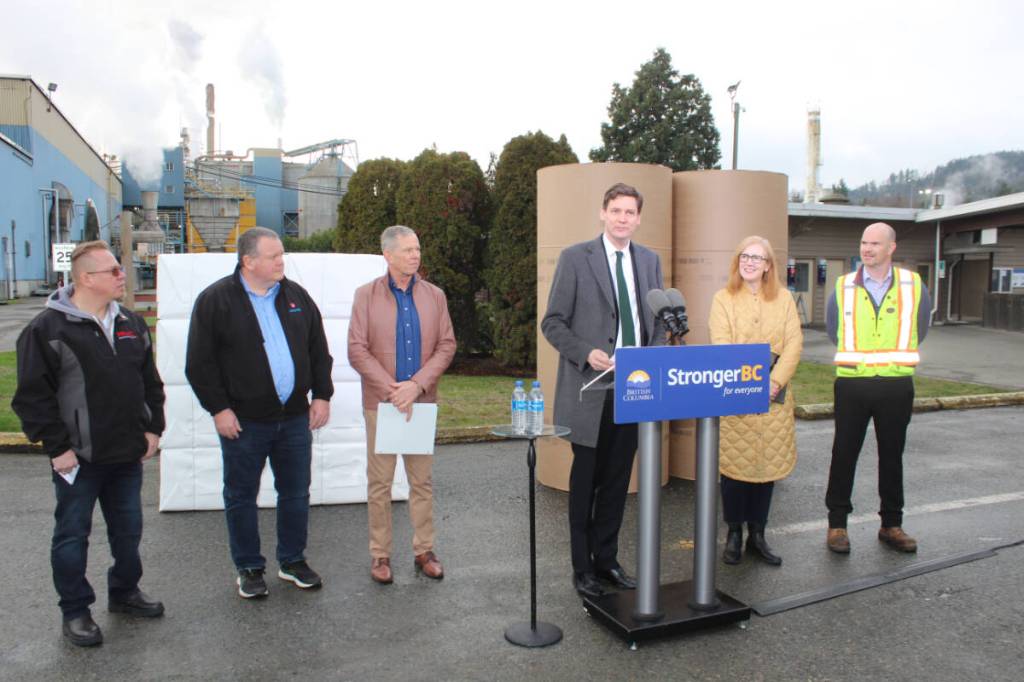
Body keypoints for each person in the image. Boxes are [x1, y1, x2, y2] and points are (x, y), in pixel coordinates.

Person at [13, 240, 165, 647]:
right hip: (78, 457)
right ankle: (75, 611)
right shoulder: (47, 329)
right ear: (85, 278)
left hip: (127, 453)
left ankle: (125, 592)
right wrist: (57, 448)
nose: (122, 276)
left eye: (120, 270)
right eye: (113, 271)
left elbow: (150, 384)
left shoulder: (131, 321)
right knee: (72, 535)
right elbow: (32, 396)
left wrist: (153, 430)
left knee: (128, 531)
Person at [186, 226, 333, 598]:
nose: (281, 261)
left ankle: (292, 560)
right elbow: (199, 364)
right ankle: (249, 566)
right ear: (248, 261)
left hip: (295, 419)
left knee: (296, 492)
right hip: (245, 422)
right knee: (240, 495)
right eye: (273, 256)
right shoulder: (216, 301)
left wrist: (322, 395)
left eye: (282, 254)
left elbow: (319, 349)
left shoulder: (296, 296)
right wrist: (219, 409)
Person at [541, 182, 667, 599]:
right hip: (590, 389)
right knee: (586, 484)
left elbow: (660, 323)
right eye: (615, 211)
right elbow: (553, 322)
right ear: (602, 213)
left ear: (638, 218)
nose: (622, 218)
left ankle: (607, 561)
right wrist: (586, 353)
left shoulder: (649, 261)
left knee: (617, 484)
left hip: (634, 390)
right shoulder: (576, 258)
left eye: (630, 212)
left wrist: (652, 357)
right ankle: (582, 568)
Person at [348, 225, 456, 584]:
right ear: (388, 255)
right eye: (408, 250)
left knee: (421, 483)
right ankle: (380, 555)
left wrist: (417, 385)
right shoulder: (365, 295)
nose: (415, 255)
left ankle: (424, 549)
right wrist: (394, 390)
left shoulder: (435, 296)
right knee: (379, 484)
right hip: (382, 403)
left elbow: (446, 345)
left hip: (421, 403)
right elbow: (357, 349)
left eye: (418, 248)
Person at [824, 222, 932, 554]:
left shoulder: (913, 285)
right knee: (843, 454)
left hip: (896, 385)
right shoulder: (842, 287)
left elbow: (921, 327)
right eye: (863, 243)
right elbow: (833, 330)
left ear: (891, 248)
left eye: (874, 243)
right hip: (853, 384)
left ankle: (891, 524)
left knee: (892, 456)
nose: (867, 249)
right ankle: (837, 525)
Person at [709, 236, 802, 566]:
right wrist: (751, 384)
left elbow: (794, 343)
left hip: (775, 399)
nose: (749, 262)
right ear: (738, 261)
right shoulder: (723, 299)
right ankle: (734, 534)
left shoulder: (785, 299)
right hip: (738, 397)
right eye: (745, 256)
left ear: (768, 266)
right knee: (735, 470)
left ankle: (758, 535)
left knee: (767, 467)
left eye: (757, 258)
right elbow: (721, 345)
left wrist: (774, 382)